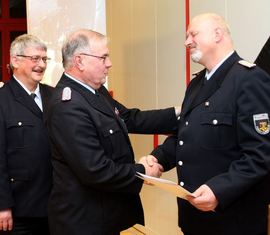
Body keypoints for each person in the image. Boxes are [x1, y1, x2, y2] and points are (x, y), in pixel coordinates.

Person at [45, 29, 180, 235]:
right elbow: (95, 170)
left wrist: (180, 114)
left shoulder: (94, 91)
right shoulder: (68, 106)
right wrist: (143, 172)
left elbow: (130, 118)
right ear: (80, 61)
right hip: (83, 222)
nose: (109, 63)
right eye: (103, 57)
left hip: (104, 215)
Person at [145, 13, 270, 235]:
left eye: (193, 34)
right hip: (194, 218)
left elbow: (260, 154)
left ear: (217, 34)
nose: (187, 42)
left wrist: (219, 191)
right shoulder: (196, 84)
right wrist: (159, 159)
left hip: (232, 221)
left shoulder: (249, 79)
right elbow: (186, 134)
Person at [0, 34, 53, 234]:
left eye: (44, 59)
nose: (41, 64)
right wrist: (2, 205)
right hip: (20, 209)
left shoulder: (53, 95)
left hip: (55, 205)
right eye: (35, 59)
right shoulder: (2, 100)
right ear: (15, 60)